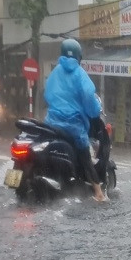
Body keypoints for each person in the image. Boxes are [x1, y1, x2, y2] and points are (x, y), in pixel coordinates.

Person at [43, 38, 107, 202]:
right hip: (73, 125)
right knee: (86, 158)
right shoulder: (79, 73)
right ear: (79, 56)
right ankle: (99, 194)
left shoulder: (55, 72)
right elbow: (89, 98)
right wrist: (94, 111)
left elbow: (47, 94)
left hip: (51, 122)